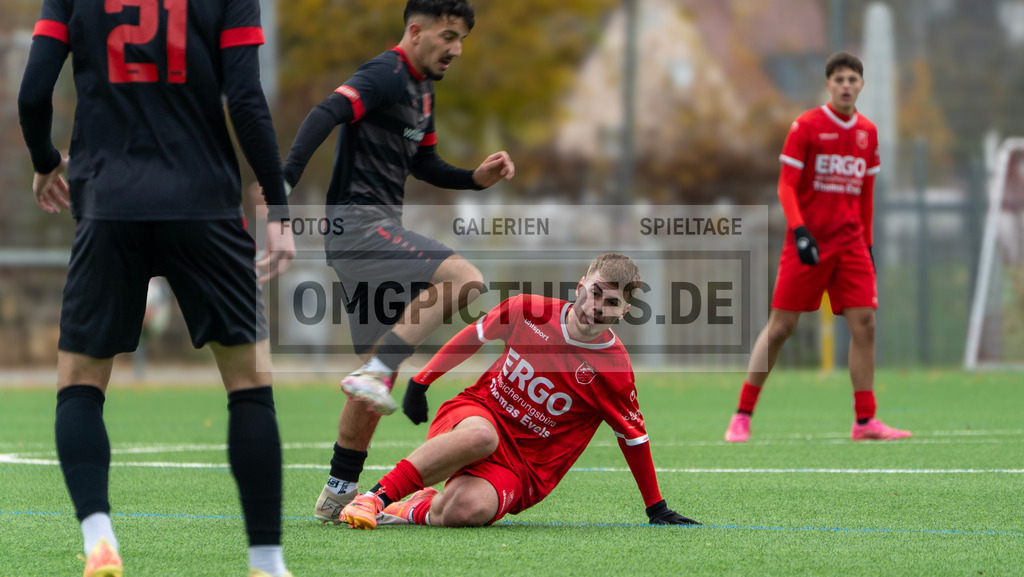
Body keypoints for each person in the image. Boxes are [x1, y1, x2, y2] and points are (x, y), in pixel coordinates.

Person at [18, 0, 296, 575]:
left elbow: (32, 93)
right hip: (204, 206)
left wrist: (45, 160)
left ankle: (99, 538)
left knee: (79, 384)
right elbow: (246, 100)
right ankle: (267, 563)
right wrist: (278, 203)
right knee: (249, 386)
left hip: (109, 206)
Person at [281, 0, 515, 523]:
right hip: (360, 226)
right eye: (448, 36)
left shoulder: (422, 92)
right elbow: (325, 112)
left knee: (370, 385)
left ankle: (338, 492)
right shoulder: (385, 73)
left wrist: (474, 179)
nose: (456, 49)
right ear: (415, 31)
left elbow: (424, 163)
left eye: (462, 40)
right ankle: (382, 368)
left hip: (368, 233)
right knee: (465, 279)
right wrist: (285, 180)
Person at [334, 254, 699, 529]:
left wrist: (656, 507)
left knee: (465, 510)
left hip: (524, 465)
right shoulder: (528, 310)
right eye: (595, 293)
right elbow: (475, 336)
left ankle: (416, 504)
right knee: (481, 436)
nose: (596, 307)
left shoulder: (613, 370)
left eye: (611, 303)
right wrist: (421, 382)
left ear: (623, 312)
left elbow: (633, 437)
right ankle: (374, 498)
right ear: (581, 287)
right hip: (477, 414)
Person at [723, 52, 911, 443]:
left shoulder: (868, 133)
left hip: (852, 244)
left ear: (861, 85)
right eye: (839, 79)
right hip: (808, 241)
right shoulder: (806, 126)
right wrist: (800, 231)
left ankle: (865, 421)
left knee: (865, 324)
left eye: (853, 79)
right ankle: (742, 414)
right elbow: (786, 186)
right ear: (828, 84)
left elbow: (865, 195)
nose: (846, 86)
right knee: (781, 328)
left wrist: (868, 246)